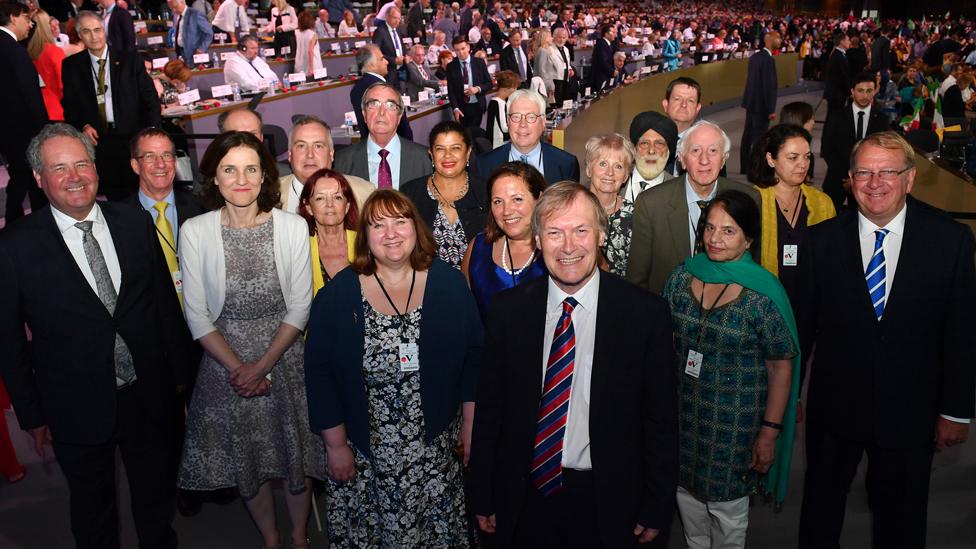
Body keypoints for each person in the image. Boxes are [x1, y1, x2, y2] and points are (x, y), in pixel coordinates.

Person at [0, 123, 192, 548]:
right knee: (93, 511)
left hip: (148, 394)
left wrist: (179, 378)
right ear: (38, 178)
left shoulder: (134, 222)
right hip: (75, 404)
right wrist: (32, 415)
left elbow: (162, 304)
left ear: (97, 169)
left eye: (82, 163)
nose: (74, 176)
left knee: (156, 498)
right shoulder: (13, 248)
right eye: (59, 167)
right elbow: (9, 343)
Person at [469, 181, 678, 547]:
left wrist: (658, 502)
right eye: (554, 232)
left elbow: (661, 419)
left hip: (609, 500)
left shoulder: (645, 315)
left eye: (580, 230)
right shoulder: (509, 312)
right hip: (525, 496)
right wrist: (483, 490)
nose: (568, 246)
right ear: (537, 240)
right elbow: (492, 410)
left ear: (600, 235)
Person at [796, 131, 976, 549]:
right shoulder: (821, 242)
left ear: (910, 179)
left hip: (912, 412)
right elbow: (802, 328)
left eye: (887, 172)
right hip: (834, 411)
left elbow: (961, 333)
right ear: (850, 179)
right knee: (820, 514)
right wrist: (789, 400)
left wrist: (956, 411)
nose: (874, 183)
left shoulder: (949, 241)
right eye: (864, 172)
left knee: (902, 519)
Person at [304, 189, 482, 547]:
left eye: (400, 222)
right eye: (378, 225)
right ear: (365, 237)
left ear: (416, 227)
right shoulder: (337, 296)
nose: (391, 233)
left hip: (435, 450)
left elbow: (474, 357)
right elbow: (319, 373)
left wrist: (470, 424)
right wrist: (336, 446)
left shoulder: (448, 284)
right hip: (367, 455)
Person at [177, 131, 324, 549]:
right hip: (225, 360)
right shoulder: (195, 230)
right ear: (215, 179)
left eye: (250, 169)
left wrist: (260, 367)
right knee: (249, 463)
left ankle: (298, 537)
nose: (240, 179)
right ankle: (270, 538)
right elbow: (196, 313)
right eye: (229, 169)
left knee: (294, 457)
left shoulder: (292, 226)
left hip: (284, 357)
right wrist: (238, 368)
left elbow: (300, 305)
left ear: (264, 177)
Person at [662, 189, 799, 549]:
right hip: (683, 418)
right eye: (709, 228)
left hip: (735, 425)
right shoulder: (681, 278)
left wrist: (769, 432)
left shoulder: (763, 294)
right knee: (688, 505)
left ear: (749, 238)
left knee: (728, 518)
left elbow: (780, 368)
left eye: (728, 231)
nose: (715, 238)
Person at [627, 120, 760, 294]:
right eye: (695, 150)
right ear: (682, 159)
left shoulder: (749, 198)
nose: (704, 160)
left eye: (713, 151)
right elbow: (637, 280)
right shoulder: (651, 203)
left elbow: (753, 268)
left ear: (724, 159)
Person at [61, 10, 161, 200]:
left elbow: (150, 99)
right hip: (100, 141)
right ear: (80, 35)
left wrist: (152, 134)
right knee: (115, 195)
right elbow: (69, 105)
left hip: (133, 137)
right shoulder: (71, 66)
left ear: (104, 31)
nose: (94, 36)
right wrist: (83, 125)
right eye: (87, 31)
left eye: (97, 30)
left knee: (143, 191)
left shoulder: (130, 60)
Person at [749, 124, 834, 301]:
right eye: (793, 158)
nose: (803, 165)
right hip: (764, 300)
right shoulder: (753, 200)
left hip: (809, 302)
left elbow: (830, 259)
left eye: (807, 157)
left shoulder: (822, 204)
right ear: (771, 159)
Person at [461, 161, 547, 321]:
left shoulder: (560, 250)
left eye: (517, 199)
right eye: (498, 202)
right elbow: (463, 314)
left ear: (540, 199)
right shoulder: (478, 248)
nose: (507, 211)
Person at [401, 121, 486, 269]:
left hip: (478, 285)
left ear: (468, 152)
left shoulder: (486, 191)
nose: (448, 155)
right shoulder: (410, 193)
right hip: (426, 285)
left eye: (456, 148)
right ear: (431, 154)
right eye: (440, 149)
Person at [0, 1, 49, 223]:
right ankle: (26, 225)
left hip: (8, 131)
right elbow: (31, 96)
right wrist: (44, 130)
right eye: (27, 19)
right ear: (13, 17)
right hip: (24, 131)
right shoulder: (14, 51)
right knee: (29, 180)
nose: (29, 25)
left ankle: (17, 223)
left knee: (22, 179)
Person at [334, 82, 432, 190]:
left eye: (390, 105)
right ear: (364, 115)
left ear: (399, 116)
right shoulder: (341, 162)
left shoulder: (425, 159)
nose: (381, 112)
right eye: (374, 104)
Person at [475, 89, 580, 183]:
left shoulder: (566, 164)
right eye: (516, 117)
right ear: (508, 121)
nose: (523, 124)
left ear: (543, 122)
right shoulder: (484, 165)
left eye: (531, 117)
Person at [821, 71, 889, 211]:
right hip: (836, 180)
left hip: (869, 184)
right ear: (852, 91)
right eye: (860, 91)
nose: (865, 95)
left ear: (875, 91)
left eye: (869, 91)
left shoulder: (882, 120)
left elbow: (883, 154)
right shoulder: (836, 116)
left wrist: (860, 179)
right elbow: (827, 149)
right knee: (829, 222)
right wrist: (848, 178)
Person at [279, 115, 374, 214]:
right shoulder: (269, 194)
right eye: (301, 146)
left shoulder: (363, 194)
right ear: (290, 155)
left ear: (331, 154)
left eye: (318, 146)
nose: (310, 154)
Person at [582, 133, 637, 277]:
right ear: (589, 169)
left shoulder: (636, 215)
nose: (610, 173)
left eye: (618, 166)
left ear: (626, 176)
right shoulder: (570, 209)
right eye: (602, 164)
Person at [297, 168, 358, 293]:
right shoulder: (299, 249)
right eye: (320, 198)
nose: (330, 204)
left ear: (347, 206)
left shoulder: (365, 244)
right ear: (308, 207)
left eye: (337, 197)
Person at [349, 45, 413, 141]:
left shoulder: (356, 89)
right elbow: (400, 124)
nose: (387, 62)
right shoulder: (384, 89)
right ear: (371, 64)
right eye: (382, 59)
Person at [740, 31, 780, 175]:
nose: (780, 41)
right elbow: (768, 86)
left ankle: (744, 166)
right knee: (759, 139)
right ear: (769, 40)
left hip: (751, 103)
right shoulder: (768, 60)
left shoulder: (755, 57)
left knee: (748, 136)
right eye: (778, 38)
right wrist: (771, 109)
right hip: (762, 106)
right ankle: (756, 169)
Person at [626, 110, 679, 197]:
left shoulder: (679, 191)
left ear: (668, 150)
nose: (651, 151)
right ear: (634, 148)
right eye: (644, 143)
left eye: (659, 144)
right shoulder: (615, 180)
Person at [446, 34, 493, 129]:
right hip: (461, 108)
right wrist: (455, 108)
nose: (461, 52)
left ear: (468, 47)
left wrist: (478, 89)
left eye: (463, 48)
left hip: (477, 105)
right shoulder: (451, 66)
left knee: (474, 134)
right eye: (457, 50)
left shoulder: (479, 62)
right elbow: (451, 91)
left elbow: (489, 83)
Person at [27, 9, 65, 121]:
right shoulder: (54, 52)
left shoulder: (26, 52)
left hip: (36, 110)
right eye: (49, 23)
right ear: (45, 26)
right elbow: (63, 85)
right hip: (57, 111)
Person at [167, 0, 213, 66]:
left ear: (182, 2)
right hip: (181, 53)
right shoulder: (178, 16)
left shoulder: (196, 14)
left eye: (175, 7)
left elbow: (209, 33)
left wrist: (202, 48)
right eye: (171, 8)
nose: (174, 10)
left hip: (194, 54)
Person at [372, 5, 405, 86]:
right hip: (388, 71)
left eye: (399, 18)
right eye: (395, 18)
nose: (397, 21)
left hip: (401, 70)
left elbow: (402, 47)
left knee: (402, 94)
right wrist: (393, 60)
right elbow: (376, 53)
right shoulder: (380, 32)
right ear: (387, 17)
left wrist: (405, 56)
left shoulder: (399, 30)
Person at [486, 70, 518, 148]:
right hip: (498, 144)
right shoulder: (497, 103)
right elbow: (504, 128)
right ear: (505, 88)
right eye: (514, 87)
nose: (515, 90)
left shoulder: (501, 102)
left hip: (501, 142)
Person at [822, 31, 851, 117]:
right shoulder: (838, 56)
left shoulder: (839, 54)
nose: (849, 42)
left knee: (833, 117)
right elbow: (843, 77)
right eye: (848, 40)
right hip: (836, 94)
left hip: (836, 93)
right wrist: (850, 92)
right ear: (842, 42)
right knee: (833, 117)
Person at [551, 27, 577, 105]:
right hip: (555, 80)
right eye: (559, 37)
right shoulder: (550, 49)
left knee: (565, 101)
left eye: (564, 37)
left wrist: (570, 69)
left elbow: (567, 63)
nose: (562, 40)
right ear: (554, 37)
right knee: (558, 102)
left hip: (566, 78)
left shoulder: (566, 49)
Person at [294, 10, 321, 75]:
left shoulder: (296, 33)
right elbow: (310, 51)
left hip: (299, 65)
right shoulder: (313, 34)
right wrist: (311, 68)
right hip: (313, 66)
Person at [590, 24, 616, 91]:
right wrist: (612, 71)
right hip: (600, 77)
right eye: (613, 32)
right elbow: (603, 62)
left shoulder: (608, 44)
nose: (615, 35)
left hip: (605, 75)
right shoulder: (601, 44)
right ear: (606, 34)